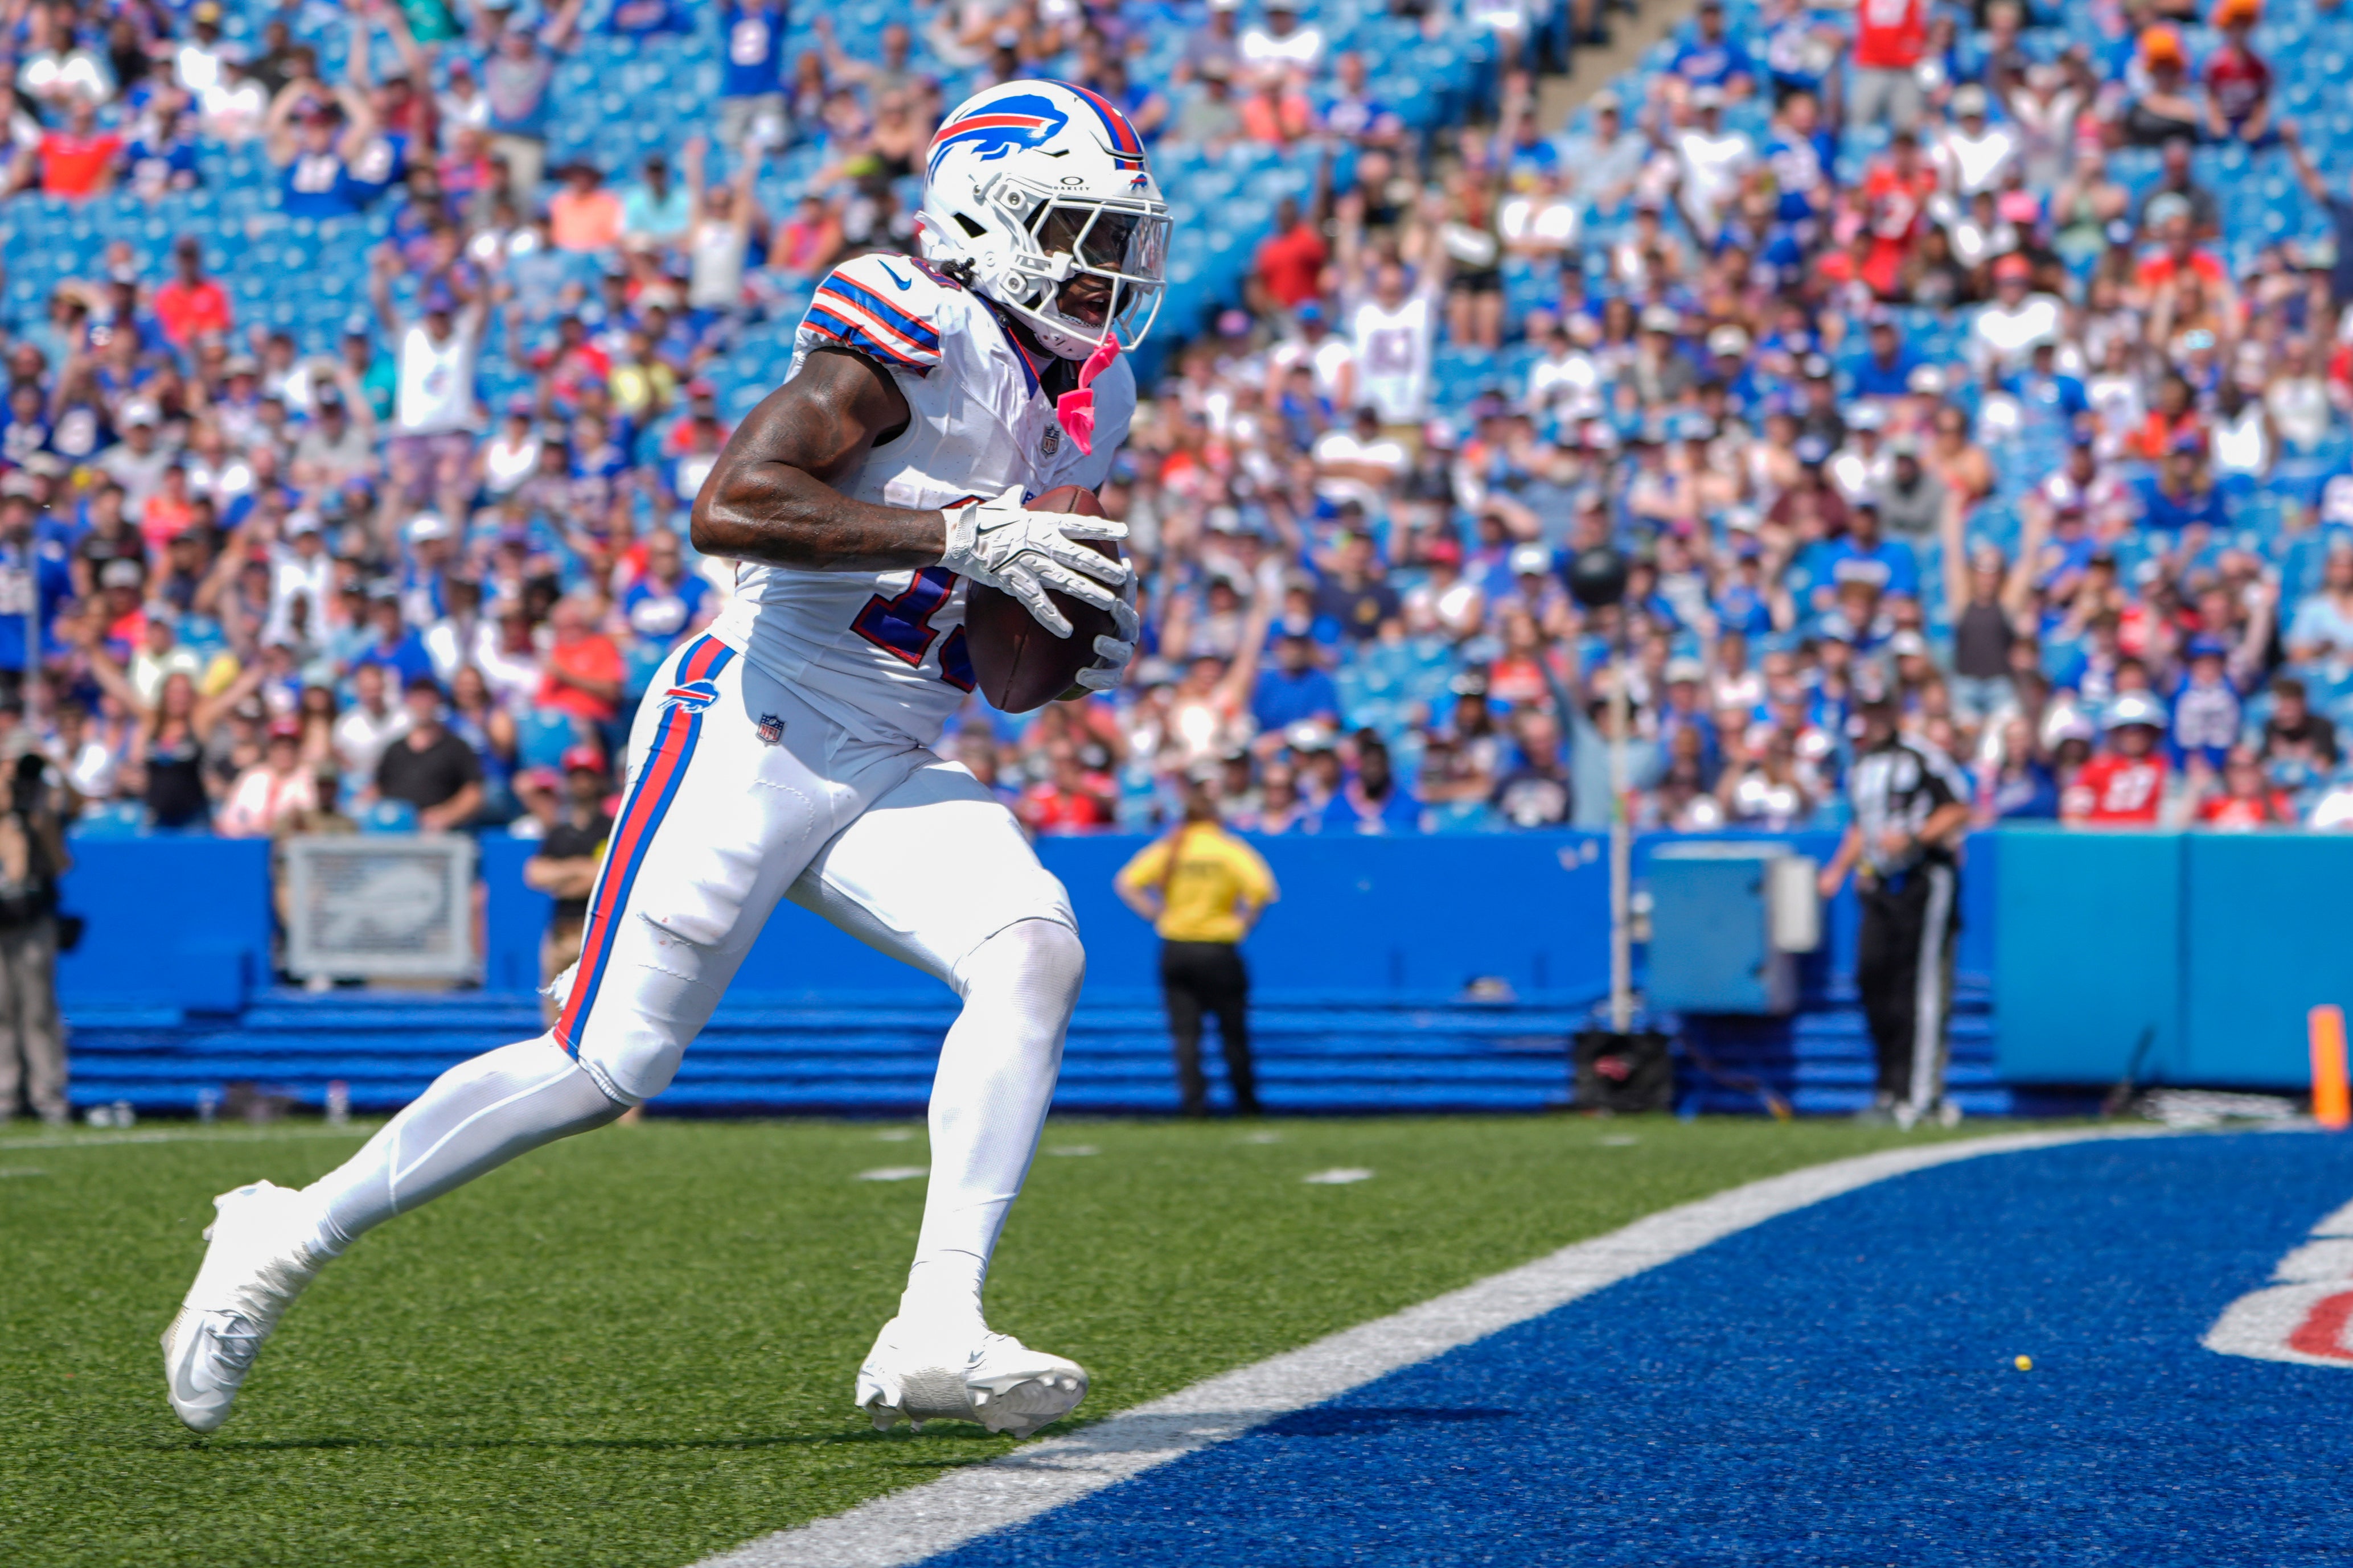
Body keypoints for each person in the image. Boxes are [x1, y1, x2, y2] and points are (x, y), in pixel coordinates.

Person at [162, 80, 1159, 1449]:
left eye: (1115, 238)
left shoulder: (1091, 398)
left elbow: (1000, 672)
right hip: (753, 720)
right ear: (981, 219)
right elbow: (732, 504)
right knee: (607, 1062)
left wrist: (1068, 636)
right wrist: (961, 535)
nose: (1102, 266)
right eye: (1072, 229)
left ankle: (936, 1320)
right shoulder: (911, 324)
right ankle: (282, 1231)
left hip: (890, 750)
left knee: (1032, 950)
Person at [1816, 676, 1970, 1130]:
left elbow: (1956, 807)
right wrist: (1839, 869)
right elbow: (1861, 826)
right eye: (1869, 710)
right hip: (1879, 885)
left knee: (1920, 987)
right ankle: (1890, 1087)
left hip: (1923, 878)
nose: (1876, 718)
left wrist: (1914, 838)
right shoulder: (1861, 765)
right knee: (1873, 979)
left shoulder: (1920, 756)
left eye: (1882, 709)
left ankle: (1920, 1095)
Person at [1114, 785, 1279, 1117]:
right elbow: (1262, 890)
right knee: (1233, 1031)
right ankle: (1246, 1103)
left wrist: (1156, 914)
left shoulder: (1172, 848)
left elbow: (1127, 883)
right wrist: (1243, 924)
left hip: (1177, 946)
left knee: (1186, 1034)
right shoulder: (1228, 849)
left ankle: (1194, 1105)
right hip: (1219, 947)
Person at [0, 752, 69, 1126]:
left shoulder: (39, 815)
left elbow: (60, 863)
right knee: (2, 1011)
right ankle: (6, 1095)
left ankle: (49, 1095)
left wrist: (39, 817)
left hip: (31, 919)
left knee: (38, 1010)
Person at [521, 746, 613, 1026]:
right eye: (576, 775)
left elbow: (606, 875)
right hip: (561, 932)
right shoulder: (560, 832)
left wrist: (562, 878)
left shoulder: (611, 827)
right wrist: (579, 869)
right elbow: (535, 874)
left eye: (588, 775)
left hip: (596, 932)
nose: (582, 783)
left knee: (599, 1013)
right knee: (554, 1018)